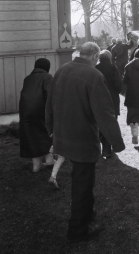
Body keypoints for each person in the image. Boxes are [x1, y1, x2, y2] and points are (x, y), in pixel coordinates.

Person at [45, 42, 125, 244]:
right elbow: (104, 114)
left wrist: (50, 130)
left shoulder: (62, 69)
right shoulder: (94, 75)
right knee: (83, 184)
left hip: (63, 135)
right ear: (95, 56)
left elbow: (49, 104)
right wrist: (117, 142)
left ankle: (88, 215)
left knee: (82, 180)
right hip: (82, 139)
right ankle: (78, 230)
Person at [19, 58, 55, 173]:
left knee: (31, 136)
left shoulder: (27, 79)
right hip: (41, 110)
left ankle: (36, 165)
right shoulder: (47, 77)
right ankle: (49, 160)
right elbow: (51, 95)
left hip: (26, 111)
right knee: (45, 133)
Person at [95, 49, 122, 158]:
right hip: (112, 99)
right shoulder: (113, 68)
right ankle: (106, 149)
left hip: (98, 99)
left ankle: (99, 148)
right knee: (111, 123)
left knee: (98, 123)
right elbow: (118, 85)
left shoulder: (95, 68)